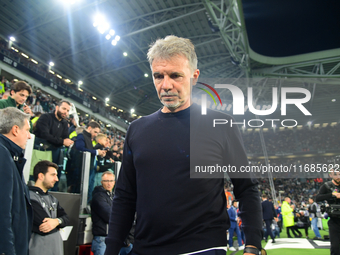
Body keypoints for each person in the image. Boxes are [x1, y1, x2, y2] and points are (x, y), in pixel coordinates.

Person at [104, 35, 262, 255]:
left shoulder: (221, 125)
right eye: (158, 76)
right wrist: (111, 249)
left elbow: (246, 188)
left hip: (203, 248)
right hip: (145, 249)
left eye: (175, 75)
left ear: (194, 77)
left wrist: (253, 245)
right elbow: (125, 195)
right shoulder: (136, 129)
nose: (166, 85)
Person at [0, 107, 33, 254]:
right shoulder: (2, 154)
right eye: (27, 130)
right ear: (15, 130)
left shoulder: (10, 156)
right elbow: (3, 211)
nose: (29, 136)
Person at [29, 160, 69, 255]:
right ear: (41, 176)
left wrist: (56, 221)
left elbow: (66, 219)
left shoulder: (53, 199)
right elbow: (43, 223)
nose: (57, 179)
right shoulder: (29, 196)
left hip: (55, 249)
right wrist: (59, 222)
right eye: (53, 175)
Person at [34, 99, 74, 190]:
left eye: (67, 110)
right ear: (57, 107)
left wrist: (64, 141)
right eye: (64, 109)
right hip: (41, 152)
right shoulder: (45, 117)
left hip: (55, 155)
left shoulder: (64, 123)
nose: (66, 112)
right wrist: (61, 142)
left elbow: (65, 137)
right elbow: (45, 135)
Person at [316, 168, 340, 255]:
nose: (338, 177)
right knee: (335, 247)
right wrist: (332, 195)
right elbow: (318, 198)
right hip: (334, 221)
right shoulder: (327, 186)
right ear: (331, 175)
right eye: (336, 175)